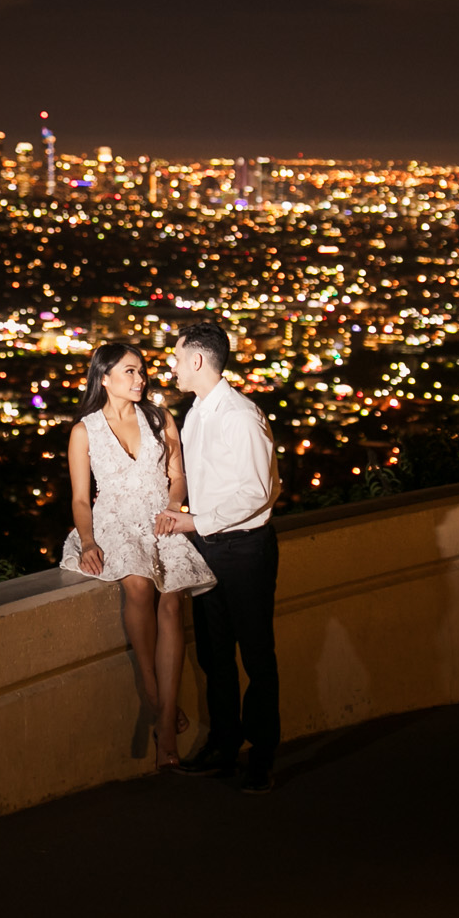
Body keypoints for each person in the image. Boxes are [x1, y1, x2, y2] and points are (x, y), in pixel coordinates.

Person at [59, 341, 216, 768]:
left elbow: (177, 478)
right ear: (103, 378)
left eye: (142, 371)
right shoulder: (83, 431)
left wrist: (172, 507)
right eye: (129, 371)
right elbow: (79, 500)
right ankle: (154, 693)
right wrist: (89, 542)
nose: (140, 378)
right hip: (114, 524)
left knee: (171, 606)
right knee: (140, 588)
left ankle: (165, 729)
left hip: (160, 518)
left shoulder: (160, 417)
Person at [154, 322, 283, 792]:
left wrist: (194, 521)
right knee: (214, 654)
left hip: (244, 550)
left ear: (198, 360)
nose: (170, 364)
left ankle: (262, 756)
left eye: (175, 357)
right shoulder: (196, 413)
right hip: (209, 549)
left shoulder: (239, 416)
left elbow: (259, 492)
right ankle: (224, 746)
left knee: (256, 655)